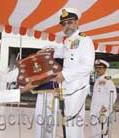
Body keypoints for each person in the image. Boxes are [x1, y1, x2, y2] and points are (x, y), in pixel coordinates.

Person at [37, 8, 95, 138]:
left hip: (77, 89)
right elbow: (62, 51)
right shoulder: (68, 41)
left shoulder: (85, 40)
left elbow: (88, 66)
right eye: (64, 24)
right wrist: (48, 51)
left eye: (69, 22)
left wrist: (64, 75)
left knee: (72, 126)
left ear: (76, 23)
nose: (66, 26)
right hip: (68, 89)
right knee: (70, 126)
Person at [90, 59, 117, 138]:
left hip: (103, 111)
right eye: (96, 67)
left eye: (100, 68)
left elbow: (113, 95)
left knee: (103, 132)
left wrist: (106, 107)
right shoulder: (98, 79)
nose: (98, 70)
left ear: (105, 69)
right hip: (94, 110)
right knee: (95, 132)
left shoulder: (107, 80)